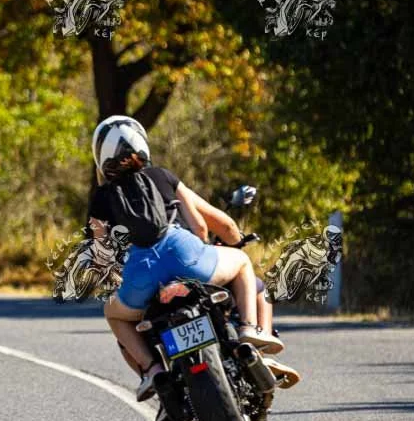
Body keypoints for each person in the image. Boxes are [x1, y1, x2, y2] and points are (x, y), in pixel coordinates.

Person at [88, 115, 283, 401]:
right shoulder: (161, 176)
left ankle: (152, 370)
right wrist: (209, 246)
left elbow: (102, 258)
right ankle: (248, 329)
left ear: (100, 157)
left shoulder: (101, 198)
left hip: (142, 274)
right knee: (242, 262)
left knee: (113, 313)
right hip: (185, 254)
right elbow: (202, 226)